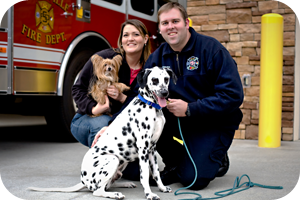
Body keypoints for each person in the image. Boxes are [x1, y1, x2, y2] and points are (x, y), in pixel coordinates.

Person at [141, 2, 244, 190]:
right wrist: (111, 125)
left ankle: (214, 155)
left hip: (212, 120)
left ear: (187, 23)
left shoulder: (212, 50)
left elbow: (233, 95)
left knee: (193, 179)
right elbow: (138, 96)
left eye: (175, 21)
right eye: (165, 23)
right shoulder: (157, 57)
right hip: (177, 121)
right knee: (151, 118)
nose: (170, 26)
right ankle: (176, 163)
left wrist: (190, 108)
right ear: (160, 29)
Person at [71, 19, 150, 148]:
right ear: (121, 39)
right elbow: (78, 88)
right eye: (126, 35)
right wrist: (93, 108)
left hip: (122, 120)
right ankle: (99, 166)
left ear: (145, 39)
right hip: (88, 117)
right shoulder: (105, 57)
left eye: (136, 34)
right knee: (104, 126)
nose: (130, 39)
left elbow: (146, 104)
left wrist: (121, 98)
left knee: (132, 168)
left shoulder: (149, 67)